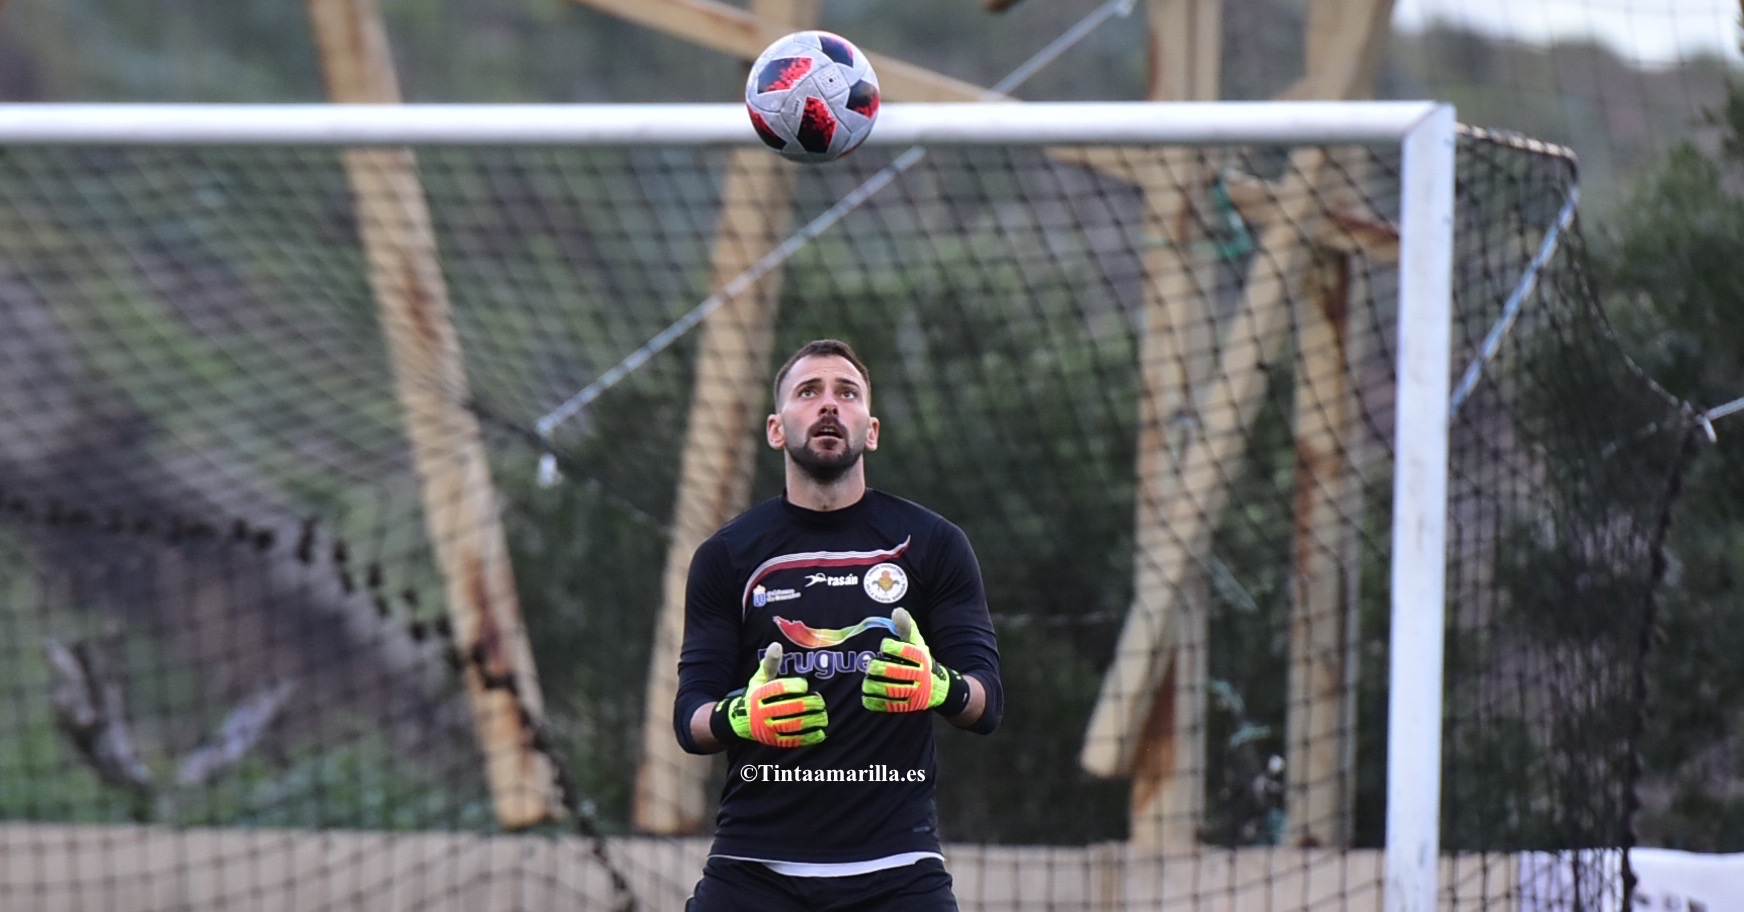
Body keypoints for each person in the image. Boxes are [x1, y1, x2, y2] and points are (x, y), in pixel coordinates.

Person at [674, 338, 1004, 912]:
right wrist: (739, 714)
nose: (829, 404)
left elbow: (988, 702)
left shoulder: (934, 544)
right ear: (776, 429)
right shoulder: (726, 555)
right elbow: (690, 718)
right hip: (753, 870)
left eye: (847, 393)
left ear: (870, 431)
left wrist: (940, 686)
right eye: (809, 392)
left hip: (899, 871)